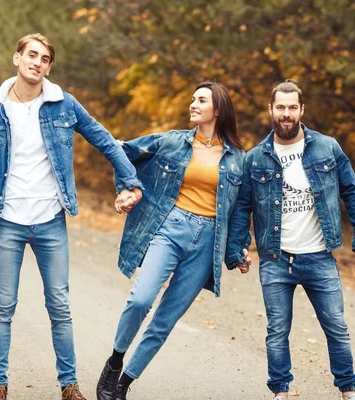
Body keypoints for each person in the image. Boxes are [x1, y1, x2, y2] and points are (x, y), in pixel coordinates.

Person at [0, 33, 143, 400]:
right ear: (16, 58)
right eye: (31, 55)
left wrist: (129, 181)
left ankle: (70, 385)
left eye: (45, 58)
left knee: (60, 305)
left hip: (50, 219)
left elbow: (104, 139)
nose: (37, 62)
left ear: (49, 66)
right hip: (6, 221)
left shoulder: (63, 104)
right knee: (4, 305)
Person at [95, 81, 249, 400]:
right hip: (170, 227)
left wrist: (237, 252)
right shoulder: (172, 141)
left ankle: (123, 384)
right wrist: (127, 189)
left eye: (201, 100)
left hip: (208, 242)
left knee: (165, 320)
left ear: (217, 110)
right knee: (140, 299)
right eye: (192, 99)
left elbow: (239, 211)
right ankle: (115, 360)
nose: (193, 104)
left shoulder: (238, 160)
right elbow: (122, 152)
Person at [226, 80, 355, 400]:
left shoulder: (327, 147)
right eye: (281, 108)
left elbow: (352, 191)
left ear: (302, 110)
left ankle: (348, 389)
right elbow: (242, 209)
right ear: (271, 110)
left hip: (319, 256)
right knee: (277, 331)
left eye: (293, 108)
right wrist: (236, 249)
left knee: (336, 326)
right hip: (276, 259)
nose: (286, 114)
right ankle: (281, 391)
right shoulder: (256, 158)